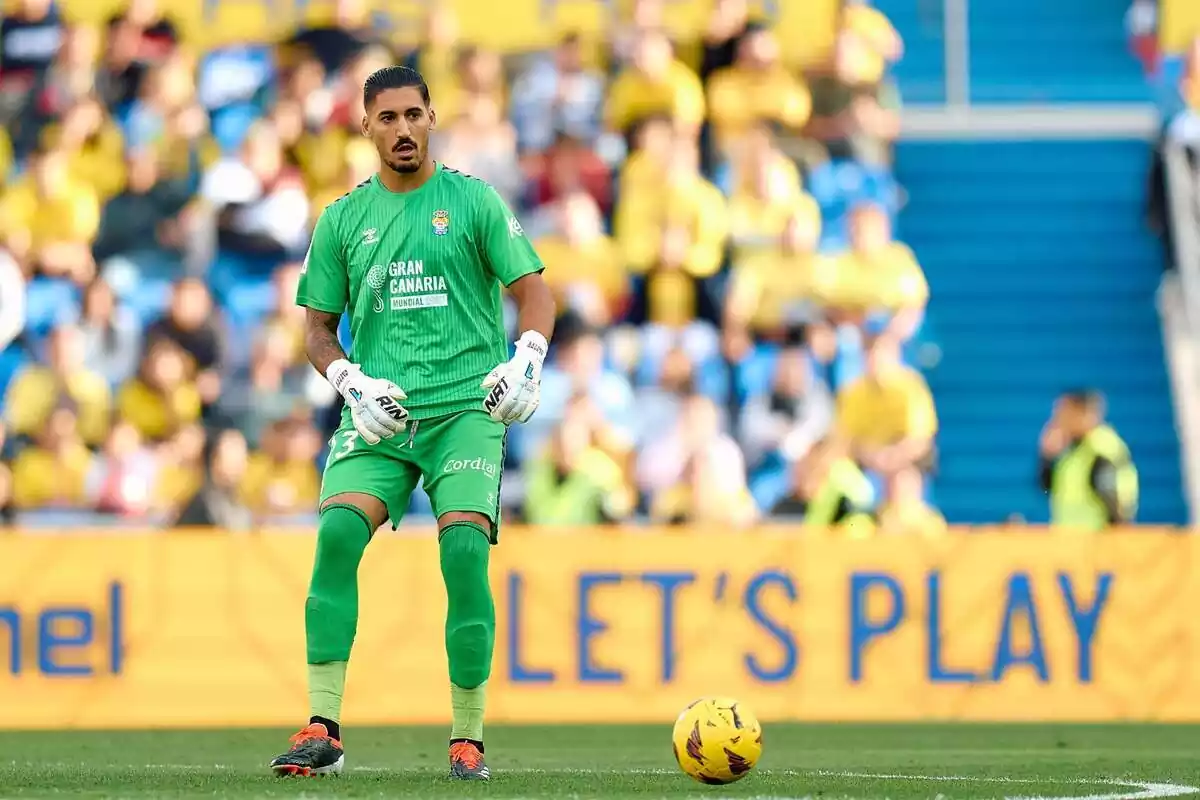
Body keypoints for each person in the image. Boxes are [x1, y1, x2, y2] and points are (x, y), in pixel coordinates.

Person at [269, 65, 555, 781]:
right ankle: (322, 728)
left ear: (433, 118)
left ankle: (467, 737)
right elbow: (316, 330)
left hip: (466, 407)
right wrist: (347, 378)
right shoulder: (341, 219)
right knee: (336, 534)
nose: (402, 129)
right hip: (383, 411)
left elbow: (534, 292)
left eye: (413, 115)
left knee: (462, 552)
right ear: (365, 127)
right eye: (387, 118)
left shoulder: (474, 201)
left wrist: (528, 355)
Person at [1039, 390, 1138, 530]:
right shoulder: (1071, 449)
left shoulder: (1101, 447)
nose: (1058, 420)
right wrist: (1046, 458)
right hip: (1071, 539)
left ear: (1083, 413)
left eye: (1064, 413)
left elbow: (1110, 495)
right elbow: (1046, 488)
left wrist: (1117, 537)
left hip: (1097, 540)